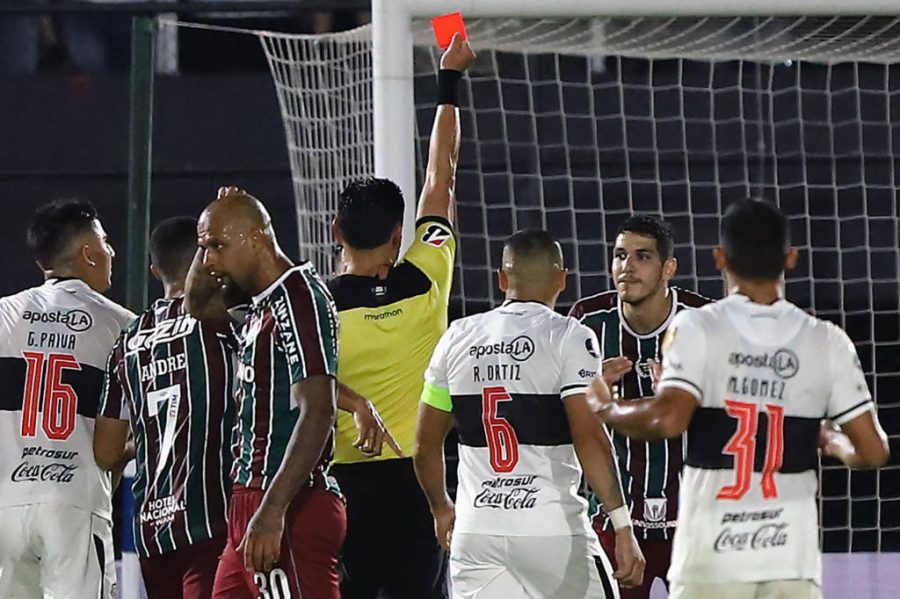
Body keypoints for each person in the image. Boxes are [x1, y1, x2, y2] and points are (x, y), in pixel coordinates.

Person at [591, 198, 890, 599]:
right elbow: (872, 452)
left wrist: (607, 407)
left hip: (712, 553)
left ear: (720, 258)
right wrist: (831, 440)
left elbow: (667, 419)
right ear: (790, 258)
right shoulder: (826, 340)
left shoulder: (697, 326)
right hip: (788, 556)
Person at [415, 229, 646, 598]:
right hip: (550, 530)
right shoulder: (570, 335)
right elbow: (589, 437)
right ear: (562, 281)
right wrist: (621, 525)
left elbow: (425, 445)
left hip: (477, 532)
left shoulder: (456, 337)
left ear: (503, 279)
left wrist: (441, 507)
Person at [326, 32, 475, 599]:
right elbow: (442, 176)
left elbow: (304, 383)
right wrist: (448, 80)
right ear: (399, 234)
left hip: (346, 481)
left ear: (337, 232)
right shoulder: (426, 278)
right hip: (420, 477)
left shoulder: (318, 304)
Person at [185, 189, 345, 599]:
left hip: (289, 503)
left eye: (218, 246)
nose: (210, 261)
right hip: (249, 501)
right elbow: (196, 304)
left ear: (256, 239)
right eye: (205, 248)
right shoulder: (259, 305)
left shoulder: (300, 297)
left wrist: (273, 510)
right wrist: (209, 238)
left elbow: (318, 411)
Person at [93, 216, 237, 598]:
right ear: (209, 263)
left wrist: (145, 439)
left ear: (155, 270)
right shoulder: (224, 324)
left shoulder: (127, 341)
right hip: (211, 520)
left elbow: (106, 453)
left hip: (152, 529)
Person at [568, 215, 710, 597]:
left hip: (697, 525)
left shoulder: (705, 322)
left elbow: (739, 420)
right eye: (619, 256)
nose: (626, 267)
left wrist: (691, 399)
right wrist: (586, 388)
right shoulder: (586, 323)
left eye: (641, 256)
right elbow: (557, 416)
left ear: (669, 268)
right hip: (616, 523)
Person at [0, 199, 135, 598]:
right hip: (72, 502)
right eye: (106, 242)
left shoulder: (4, 314)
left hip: (5, 502)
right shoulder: (122, 326)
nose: (112, 252)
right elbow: (117, 443)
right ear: (88, 254)